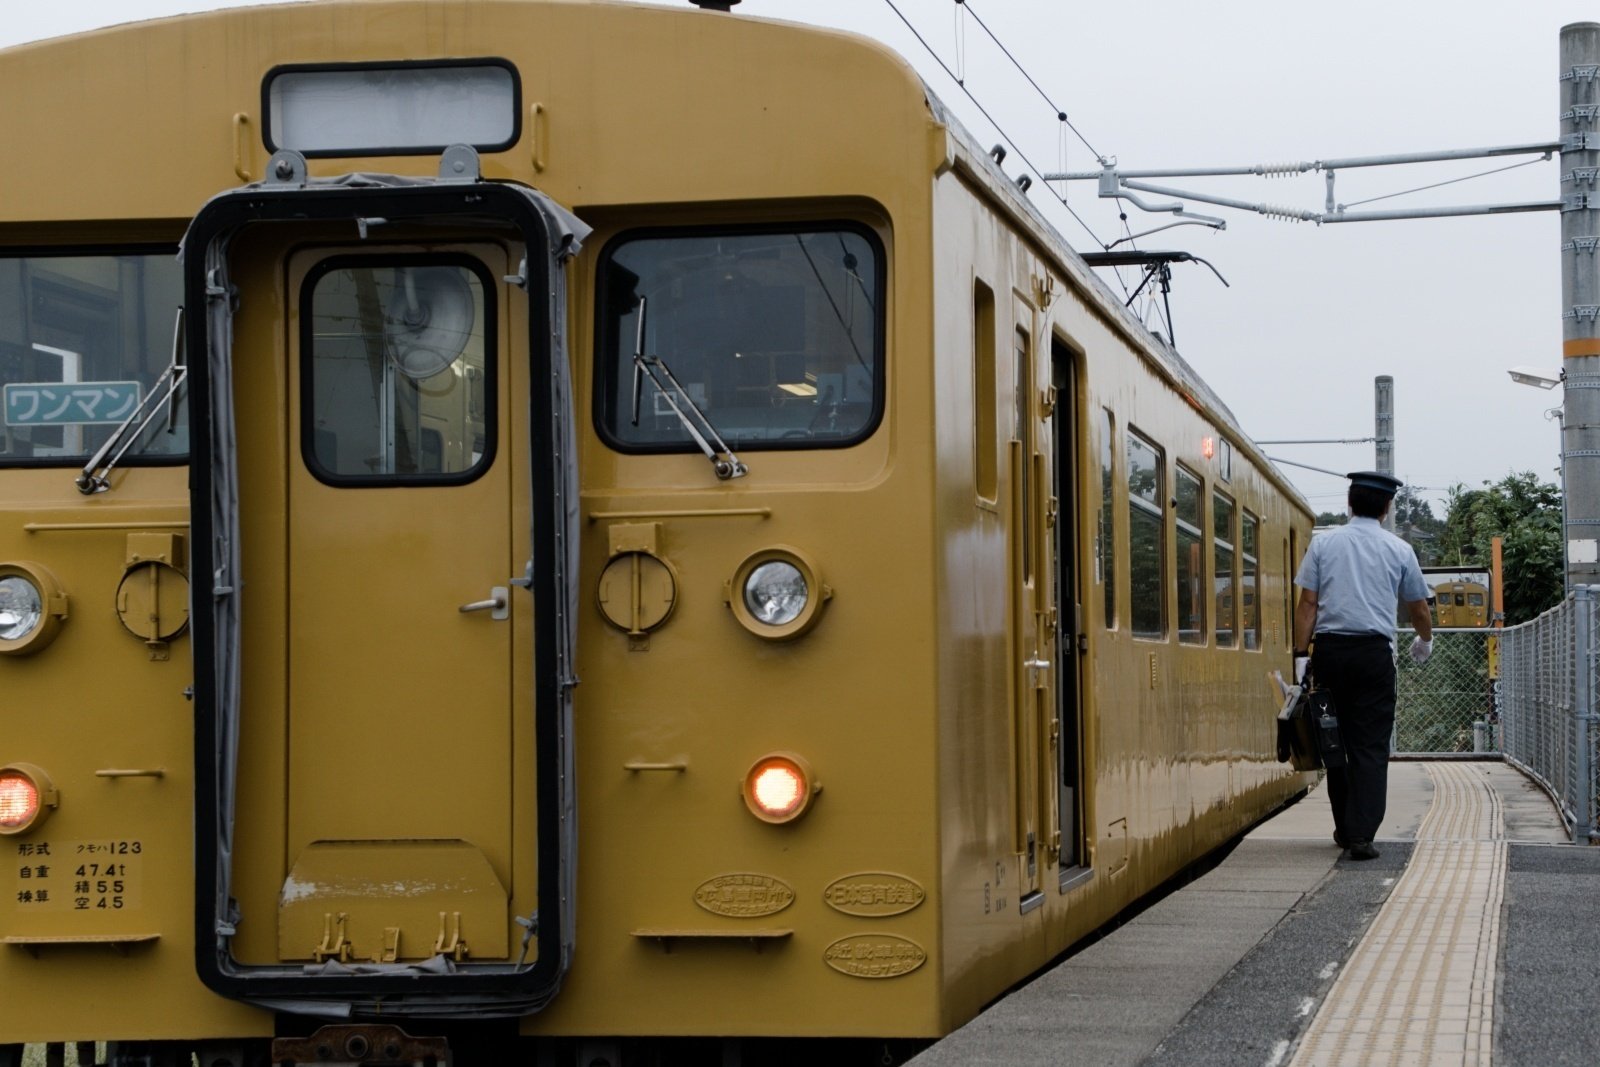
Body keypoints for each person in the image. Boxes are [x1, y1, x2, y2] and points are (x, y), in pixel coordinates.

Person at [1292, 471, 1432, 861]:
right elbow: (1419, 608)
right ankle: (1361, 835)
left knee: (1333, 740)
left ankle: (1344, 827)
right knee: (1370, 746)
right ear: (1387, 507)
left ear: (1349, 503)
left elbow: (1308, 604)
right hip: (1374, 657)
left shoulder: (1324, 544)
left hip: (1330, 655)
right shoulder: (1399, 550)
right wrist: (1425, 639)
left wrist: (1301, 655)